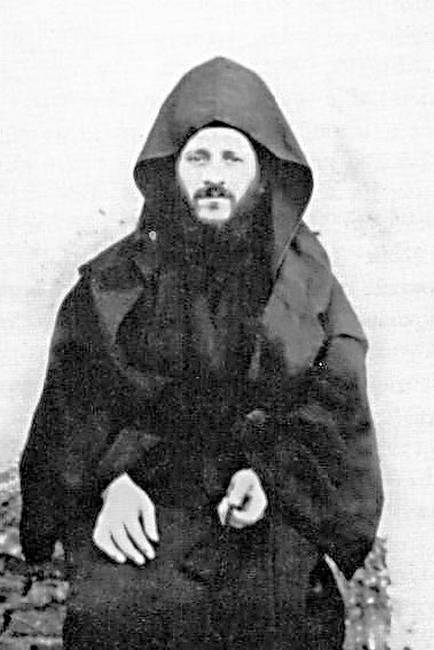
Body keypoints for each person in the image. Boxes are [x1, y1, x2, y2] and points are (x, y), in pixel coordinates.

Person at [19, 57, 383, 649]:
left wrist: (269, 475)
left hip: (261, 496)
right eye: (198, 159)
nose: (214, 176)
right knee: (118, 611)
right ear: (172, 173)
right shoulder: (116, 282)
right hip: (145, 491)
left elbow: (335, 404)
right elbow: (75, 397)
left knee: (271, 611)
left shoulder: (306, 286)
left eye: (232, 159)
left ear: (262, 175)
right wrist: (110, 481)